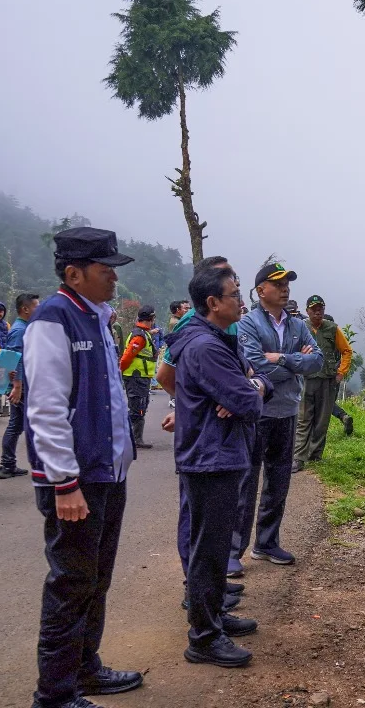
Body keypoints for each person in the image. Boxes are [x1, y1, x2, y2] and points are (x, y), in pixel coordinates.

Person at [24, 226, 142, 708]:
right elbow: (46, 408)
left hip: (107, 474)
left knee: (96, 578)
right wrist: (64, 482)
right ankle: (54, 695)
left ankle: (85, 667)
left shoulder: (96, 317)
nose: (113, 276)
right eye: (104, 268)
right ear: (74, 274)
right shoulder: (54, 319)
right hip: (76, 482)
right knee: (71, 584)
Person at [166, 265, 268, 668]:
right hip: (210, 458)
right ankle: (204, 637)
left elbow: (256, 384)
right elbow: (249, 402)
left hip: (219, 454)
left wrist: (252, 385)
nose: (241, 302)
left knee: (214, 543)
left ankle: (214, 618)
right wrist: (249, 391)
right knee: (208, 549)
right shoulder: (204, 347)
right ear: (212, 303)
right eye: (234, 294)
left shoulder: (219, 340)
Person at [156, 256, 247, 605]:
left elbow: (249, 376)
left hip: (224, 440)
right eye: (228, 279)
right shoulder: (191, 328)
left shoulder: (230, 324)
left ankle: (212, 587)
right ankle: (195, 590)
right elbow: (166, 376)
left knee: (218, 522)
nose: (236, 288)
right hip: (205, 445)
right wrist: (196, 409)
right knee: (196, 518)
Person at [231, 262, 323, 574]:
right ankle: (234, 550)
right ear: (261, 291)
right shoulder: (249, 324)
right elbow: (256, 365)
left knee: (279, 480)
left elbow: (318, 362)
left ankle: (266, 543)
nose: (285, 289)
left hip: (287, 412)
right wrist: (298, 362)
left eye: (287, 284)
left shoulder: (297, 325)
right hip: (258, 414)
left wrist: (283, 357)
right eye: (278, 284)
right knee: (247, 481)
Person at [293, 295, 353, 471]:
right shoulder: (300, 327)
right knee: (304, 419)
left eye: (321, 308)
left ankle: (315, 455)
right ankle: (298, 457)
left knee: (322, 420)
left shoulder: (332, 329)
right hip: (306, 379)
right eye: (314, 309)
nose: (318, 312)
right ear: (307, 311)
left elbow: (346, 351)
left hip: (327, 380)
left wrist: (341, 373)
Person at [0, 292, 41, 480]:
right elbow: (16, 359)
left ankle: (8, 464)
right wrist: (17, 386)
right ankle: (7, 464)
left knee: (17, 425)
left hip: (24, 385)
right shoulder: (19, 330)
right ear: (25, 309)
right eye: (35, 306)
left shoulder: (25, 327)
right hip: (21, 387)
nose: (38, 309)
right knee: (18, 425)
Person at [119, 305, 158, 449]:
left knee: (140, 407)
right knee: (137, 409)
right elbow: (126, 357)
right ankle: (126, 438)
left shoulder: (144, 333)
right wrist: (119, 372)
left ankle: (136, 439)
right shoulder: (139, 336)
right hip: (136, 377)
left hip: (141, 377)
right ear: (152, 318)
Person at [323, 312, 355, 436]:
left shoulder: (321, 339)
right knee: (329, 402)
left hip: (323, 377)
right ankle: (344, 416)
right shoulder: (336, 338)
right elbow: (346, 353)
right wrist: (341, 373)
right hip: (336, 375)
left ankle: (342, 417)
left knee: (322, 403)